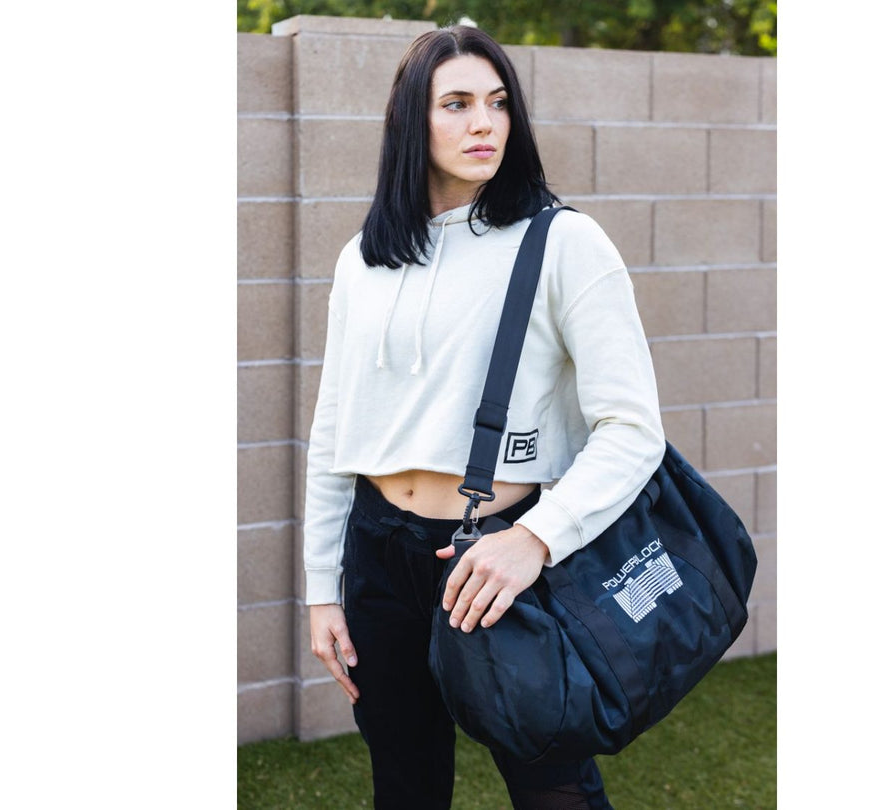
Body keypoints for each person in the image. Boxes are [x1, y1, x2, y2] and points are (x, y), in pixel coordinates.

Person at [304, 23, 665, 810]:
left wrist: (534, 539)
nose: (484, 123)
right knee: (403, 784)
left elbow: (635, 429)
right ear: (411, 120)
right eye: (458, 103)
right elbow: (335, 431)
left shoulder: (564, 242)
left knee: (553, 785)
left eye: (498, 103)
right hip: (378, 552)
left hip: (500, 557)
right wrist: (322, 589)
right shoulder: (363, 257)